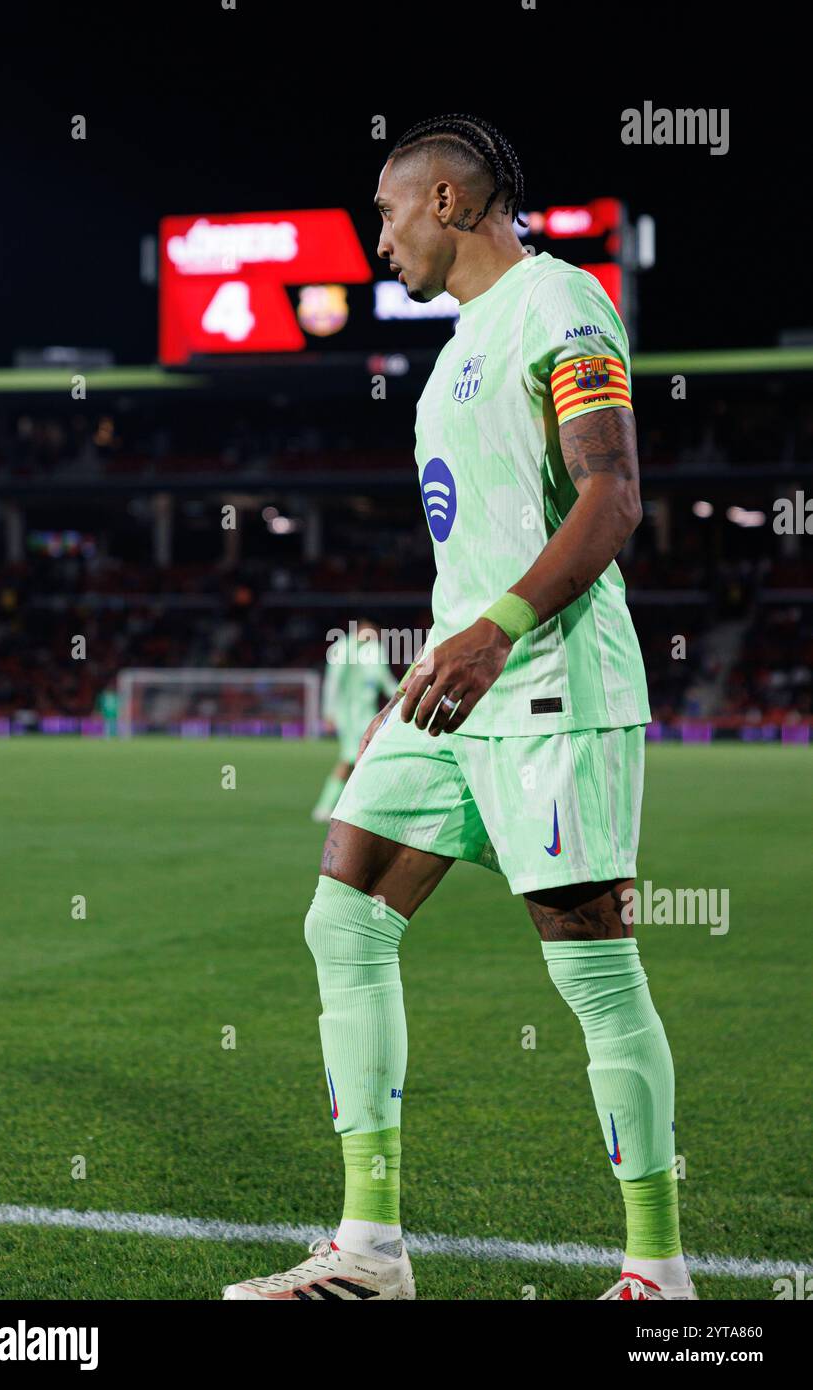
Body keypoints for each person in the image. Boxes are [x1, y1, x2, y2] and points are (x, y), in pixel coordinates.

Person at [225, 113, 692, 1303]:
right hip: (451, 688)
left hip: (548, 682)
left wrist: (494, 632)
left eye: (385, 214)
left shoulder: (561, 305)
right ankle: (369, 1249)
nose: (377, 240)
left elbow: (612, 498)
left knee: (590, 968)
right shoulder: (456, 346)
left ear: (444, 202)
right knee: (344, 917)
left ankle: (656, 1269)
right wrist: (433, 657)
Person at [311, 619, 398, 823]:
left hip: (366, 714)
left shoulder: (373, 650)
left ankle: (351, 806)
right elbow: (333, 682)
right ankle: (326, 806)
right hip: (348, 715)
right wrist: (329, 712)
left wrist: (402, 696)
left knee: (363, 758)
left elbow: (383, 679)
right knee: (352, 758)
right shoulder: (342, 648)